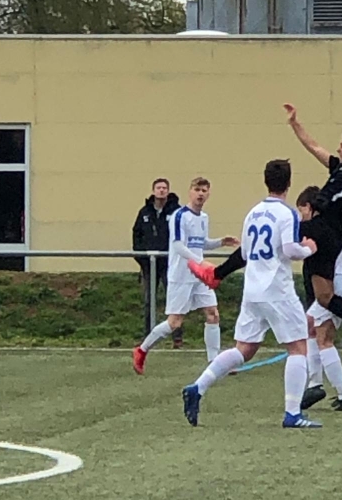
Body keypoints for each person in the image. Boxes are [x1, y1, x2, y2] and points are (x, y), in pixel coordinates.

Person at [191, 105, 342, 355]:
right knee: (325, 297)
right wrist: (295, 123)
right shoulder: (340, 167)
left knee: (267, 237)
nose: (339, 148)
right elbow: (314, 147)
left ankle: (216, 274)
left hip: (322, 226)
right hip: (332, 235)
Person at [181, 159, 323, 429]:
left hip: (253, 289)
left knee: (244, 349)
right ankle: (293, 413)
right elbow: (290, 249)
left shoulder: (253, 213)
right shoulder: (288, 214)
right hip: (277, 289)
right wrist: (309, 249)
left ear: (266, 181)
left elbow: (245, 253)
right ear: (289, 183)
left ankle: (197, 387)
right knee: (298, 347)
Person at [132, 177, 239, 375]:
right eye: (197, 190)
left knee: (213, 313)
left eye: (204, 190)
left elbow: (200, 243)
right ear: (190, 192)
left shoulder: (203, 217)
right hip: (181, 275)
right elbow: (178, 245)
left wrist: (220, 242)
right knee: (174, 322)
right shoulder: (179, 216)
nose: (200, 194)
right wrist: (200, 262)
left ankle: (214, 362)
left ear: (208, 194)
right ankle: (142, 349)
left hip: (199, 276)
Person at [298, 186, 342, 412]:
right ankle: (317, 386)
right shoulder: (336, 216)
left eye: (302, 211)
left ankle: (340, 395)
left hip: (339, 283)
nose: (302, 217)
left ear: (309, 207)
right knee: (311, 325)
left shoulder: (320, 226)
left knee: (323, 338)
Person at [132, 178, 183, 347]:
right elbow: (137, 234)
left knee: (174, 300)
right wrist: (142, 258)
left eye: (164, 188)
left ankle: (177, 337)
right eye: (158, 188)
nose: (161, 190)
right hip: (149, 265)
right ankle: (148, 336)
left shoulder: (176, 212)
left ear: (168, 191)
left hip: (170, 264)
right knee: (149, 300)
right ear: (153, 191)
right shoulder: (144, 212)